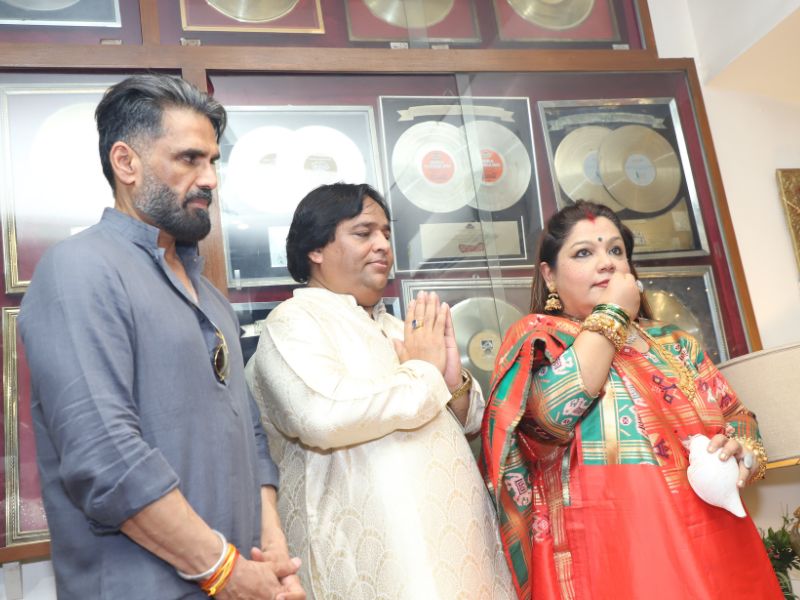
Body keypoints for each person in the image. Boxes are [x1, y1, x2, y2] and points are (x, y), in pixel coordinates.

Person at [19, 74, 304, 600]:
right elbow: (106, 458)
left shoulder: (211, 297)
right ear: (126, 163)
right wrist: (224, 571)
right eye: (189, 159)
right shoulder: (79, 269)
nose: (209, 179)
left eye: (213, 161)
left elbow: (251, 438)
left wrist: (273, 552)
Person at [480, 201, 783, 600]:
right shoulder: (540, 338)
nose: (606, 262)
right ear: (549, 275)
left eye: (616, 250)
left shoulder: (675, 343)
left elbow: (736, 415)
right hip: (613, 551)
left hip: (714, 537)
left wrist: (741, 448)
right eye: (583, 253)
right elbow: (548, 421)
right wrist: (613, 314)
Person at [245, 183, 514, 599]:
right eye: (363, 232)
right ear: (315, 249)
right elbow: (321, 415)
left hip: (461, 549)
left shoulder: (401, 327)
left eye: (387, 234)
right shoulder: (295, 320)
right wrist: (424, 373)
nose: (383, 245)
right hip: (370, 556)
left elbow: (472, 422)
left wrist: (452, 383)